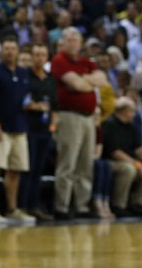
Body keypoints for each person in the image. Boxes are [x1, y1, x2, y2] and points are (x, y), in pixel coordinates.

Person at [50, 27, 106, 220]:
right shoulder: (59, 60)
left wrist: (84, 80)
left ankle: (82, 206)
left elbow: (103, 79)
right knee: (68, 162)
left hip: (89, 118)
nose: (72, 43)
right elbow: (76, 85)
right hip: (69, 116)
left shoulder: (86, 62)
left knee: (85, 163)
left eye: (75, 40)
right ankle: (62, 207)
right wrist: (88, 81)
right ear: (63, 42)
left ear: (81, 43)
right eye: (69, 40)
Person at [0, 37, 35, 223]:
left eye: (13, 48)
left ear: (17, 51)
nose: (10, 51)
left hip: (20, 127)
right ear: (1, 51)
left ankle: (12, 209)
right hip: (0, 128)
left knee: (15, 170)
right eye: (6, 48)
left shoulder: (23, 73)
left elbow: (25, 98)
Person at [18, 43, 58, 222]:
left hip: (45, 129)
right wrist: (34, 106)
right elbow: (22, 102)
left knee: (39, 170)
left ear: (47, 57)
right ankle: (23, 206)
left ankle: (35, 205)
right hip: (29, 129)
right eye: (37, 54)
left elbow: (55, 106)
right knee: (28, 168)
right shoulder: (25, 77)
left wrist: (53, 126)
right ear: (32, 56)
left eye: (43, 54)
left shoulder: (50, 79)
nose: (40, 58)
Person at [100, 96, 142, 217]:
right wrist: (137, 164)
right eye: (133, 111)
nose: (134, 114)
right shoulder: (109, 124)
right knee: (128, 170)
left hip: (128, 160)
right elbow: (115, 153)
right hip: (110, 161)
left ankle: (137, 203)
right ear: (125, 111)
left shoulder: (131, 126)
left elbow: (138, 148)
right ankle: (118, 205)